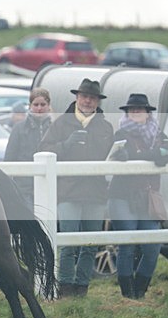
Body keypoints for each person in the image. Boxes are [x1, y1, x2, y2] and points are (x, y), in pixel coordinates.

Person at [38, 78, 114, 298]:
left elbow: (109, 155)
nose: (88, 101)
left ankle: (82, 287)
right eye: (84, 96)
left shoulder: (105, 127)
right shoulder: (61, 124)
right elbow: (44, 150)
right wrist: (66, 144)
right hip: (68, 191)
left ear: (98, 101)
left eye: (92, 98)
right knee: (69, 242)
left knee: (91, 244)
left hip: (95, 192)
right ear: (77, 98)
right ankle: (65, 287)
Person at [108, 93, 168, 298]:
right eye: (132, 109)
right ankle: (127, 294)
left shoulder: (157, 133)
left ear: (148, 112)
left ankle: (140, 291)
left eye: (140, 109)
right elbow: (126, 155)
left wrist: (161, 154)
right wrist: (156, 154)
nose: (136, 112)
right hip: (123, 195)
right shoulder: (121, 134)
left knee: (153, 246)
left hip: (147, 197)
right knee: (127, 245)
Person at [4, 88, 53, 209]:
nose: (39, 108)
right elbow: (9, 158)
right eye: (36, 105)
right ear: (30, 106)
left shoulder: (55, 128)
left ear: (48, 106)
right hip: (24, 188)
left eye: (43, 104)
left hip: (50, 186)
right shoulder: (19, 128)